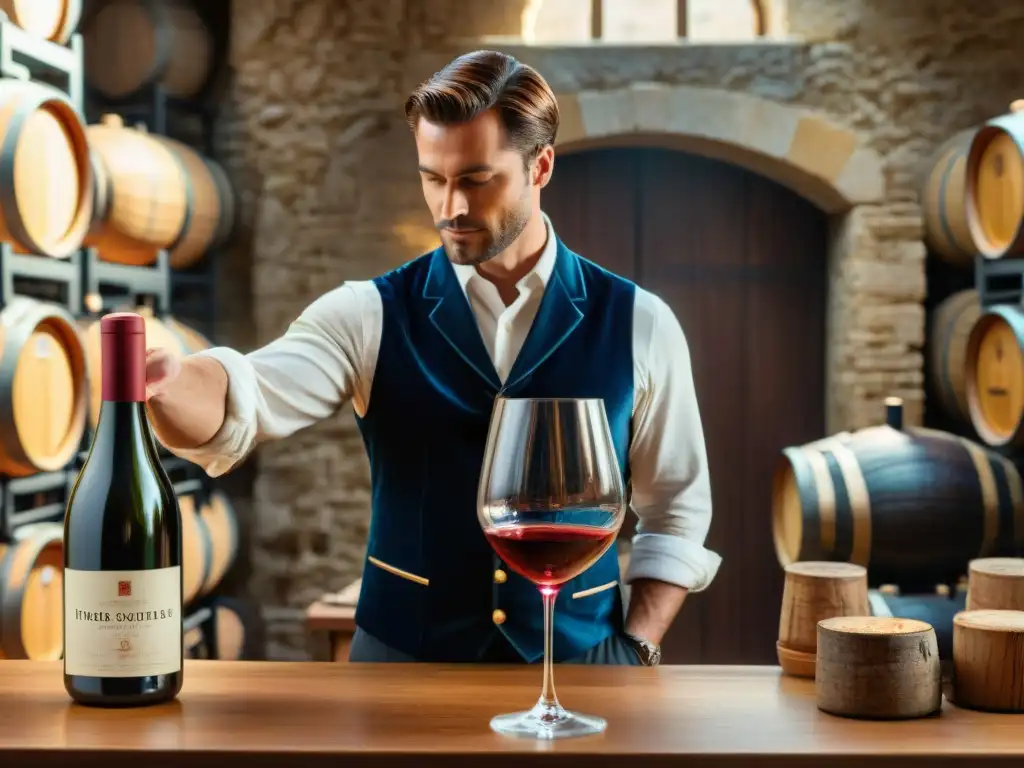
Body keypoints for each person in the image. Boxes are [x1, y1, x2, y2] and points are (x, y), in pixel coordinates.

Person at [145, 50, 721, 666]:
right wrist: (169, 382)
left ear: (541, 166)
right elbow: (249, 394)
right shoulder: (368, 313)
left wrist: (639, 644)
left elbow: (677, 506)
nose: (451, 208)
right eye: (433, 178)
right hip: (402, 666)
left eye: (476, 179)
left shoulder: (641, 321)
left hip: (585, 665)